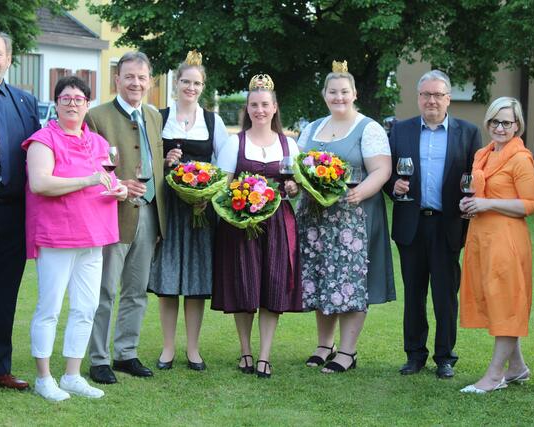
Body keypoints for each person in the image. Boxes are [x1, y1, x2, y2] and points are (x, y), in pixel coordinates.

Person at [24, 76, 128, 401]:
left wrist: (120, 189)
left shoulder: (98, 142)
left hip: (94, 235)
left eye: (78, 98)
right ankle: (44, 378)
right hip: (57, 236)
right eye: (65, 98)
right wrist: (86, 180)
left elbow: (107, 180)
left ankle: (71, 375)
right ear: (56, 104)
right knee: (50, 308)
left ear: (87, 104)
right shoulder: (43, 140)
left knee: (86, 307)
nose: (72, 103)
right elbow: (40, 183)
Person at [297, 61, 395, 373]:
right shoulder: (312, 128)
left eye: (344, 91)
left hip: (354, 217)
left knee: (350, 282)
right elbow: (299, 166)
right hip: (317, 218)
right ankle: (325, 345)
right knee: (322, 279)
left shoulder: (368, 128)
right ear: (324, 94)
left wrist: (361, 192)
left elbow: (382, 169)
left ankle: (348, 351)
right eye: (332, 91)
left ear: (354, 94)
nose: (338, 97)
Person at [385, 70, 481, 378]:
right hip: (412, 223)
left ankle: (444, 357)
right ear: (418, 98)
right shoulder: (401, 131)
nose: (431, 100)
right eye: (426, 94)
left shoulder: (468, 132)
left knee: (445, 295)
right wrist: (393, 187)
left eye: (438, 95)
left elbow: (475, 178)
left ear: (449, 98)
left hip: (448, 224)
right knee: (414, 294)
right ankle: (414, 355)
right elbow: (386, 174)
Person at [211, 73, 302, 378]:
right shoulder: (233, 143)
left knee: (273, 286)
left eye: (265, 104)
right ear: (247, 109)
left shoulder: (289, 144)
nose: (259, 109)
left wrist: (292, 189)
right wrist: (238, 203)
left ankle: (264, 355)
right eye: (254, 105)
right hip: (241, 224)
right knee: (245, 285)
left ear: (275, 108)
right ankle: (245, 350)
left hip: (278, 223)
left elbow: (297, 186)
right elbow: (222, 187)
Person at [86, 52, 167, 384]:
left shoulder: (154, 116)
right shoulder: (96, 117)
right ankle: (98, 358)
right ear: (117, 79)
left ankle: (126, 353)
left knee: (135, 290)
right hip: (111, 214)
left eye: (142, 77)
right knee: (104, 289)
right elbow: (90, 169)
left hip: (149, 212)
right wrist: (118, 185)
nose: (136, 82)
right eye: (129, 76)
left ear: (150, 81)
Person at [148, 50, 229, 371]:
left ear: (203, 86)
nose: (190, 87)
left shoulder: (213, 120)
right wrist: (165, 162)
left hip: (200, 209)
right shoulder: (158, 116)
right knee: (168, 282)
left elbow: (224, 167)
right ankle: (168, 348)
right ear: (175, 84)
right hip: (169, 208)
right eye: (185, 81)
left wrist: (209, 195)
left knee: (196, 283)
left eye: (196, 83)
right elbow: (149, 160)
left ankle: (193, 349)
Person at [457, 97, 534, 393]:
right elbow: (478, 191)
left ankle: (495, 376)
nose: (500, 127)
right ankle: (517, 367)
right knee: (493, 299)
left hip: (507, 239)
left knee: (505, 302)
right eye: (495, 121)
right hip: (481, 237)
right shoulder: (483, 154)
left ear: (517, 125)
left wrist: (486, 203)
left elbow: (531, 203)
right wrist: (469, 203)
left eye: (507, 122)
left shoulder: (521, 158)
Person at [0, 28, 39, 402]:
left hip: (14, 217)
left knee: (3, 297)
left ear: (9, 58)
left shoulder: (26, 101)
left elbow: (40, 151)